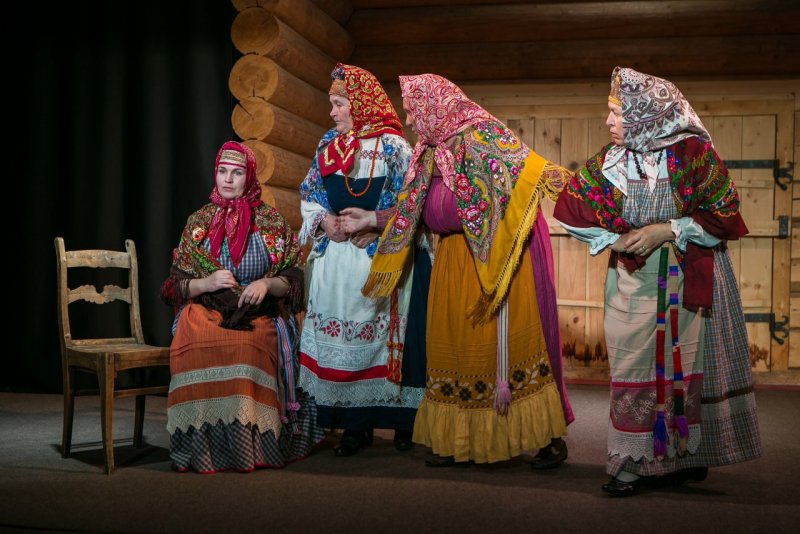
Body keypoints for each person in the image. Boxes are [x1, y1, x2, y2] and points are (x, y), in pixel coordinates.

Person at [554, 66, 762, 496]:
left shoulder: (692, 155)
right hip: (634, 279)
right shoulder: (612, 161)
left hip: (689, 273)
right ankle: (630, 461)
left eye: (617, 113)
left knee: (685, 366)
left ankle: (681, 457)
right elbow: (571, 209)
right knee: (633, 367)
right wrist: (615, 239)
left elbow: (724, 214)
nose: (609, 121)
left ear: (645, 116)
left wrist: (667, 230)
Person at [363, 73, 574, 468]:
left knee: (508, 351)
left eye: (412, 110)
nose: (409, 120)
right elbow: (413, 207)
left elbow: (527, 176)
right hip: (452, 258)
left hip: (495, 260)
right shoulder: (428, 150)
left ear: (433, 106)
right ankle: (457, 440)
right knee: (455, 350)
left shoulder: (483, 135)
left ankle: (546, 439)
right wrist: (373, 221)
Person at [160, 141, 324, 473]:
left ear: (248, 177)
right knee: (195, 343)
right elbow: (175, 285)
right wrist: (206, 284)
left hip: (256, 312)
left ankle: (250, 446)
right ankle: (201, 448)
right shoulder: (199, 221)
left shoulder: (270, 221)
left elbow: (292, 278)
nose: (227, 179)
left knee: (247, 347)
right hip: (206, 308)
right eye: (222, 171)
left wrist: (266, 285)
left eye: (236, 173)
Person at [298, 63, 430, 457]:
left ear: (360, 105)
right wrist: (324, 221)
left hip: (380, 263)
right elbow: (310, 193)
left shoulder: (394, 147)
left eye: (339, 104)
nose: (332, 112)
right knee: (344, 343)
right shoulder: (328, 144)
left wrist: (376, 222)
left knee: (390, 345)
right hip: (338, 263)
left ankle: (403, 422)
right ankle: (354, 426)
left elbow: (412, 204)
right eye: (332, 104)